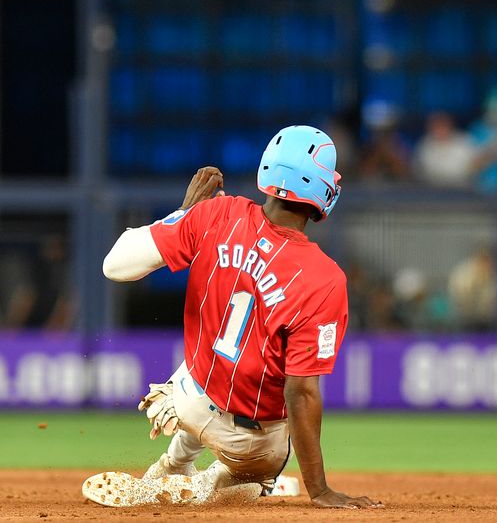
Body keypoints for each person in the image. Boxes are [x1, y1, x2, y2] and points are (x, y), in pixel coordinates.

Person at [85, 125, 382, 509]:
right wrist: (319, 489)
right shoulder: (325, 279)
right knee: (262, 471)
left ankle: (170, 467)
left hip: (188, 401)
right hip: (252, 445)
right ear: (321, 189)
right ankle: (212, 484)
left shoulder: (215, 214)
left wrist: (183, 215)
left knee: (210, 354)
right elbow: (301, 391)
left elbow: (115, 266)